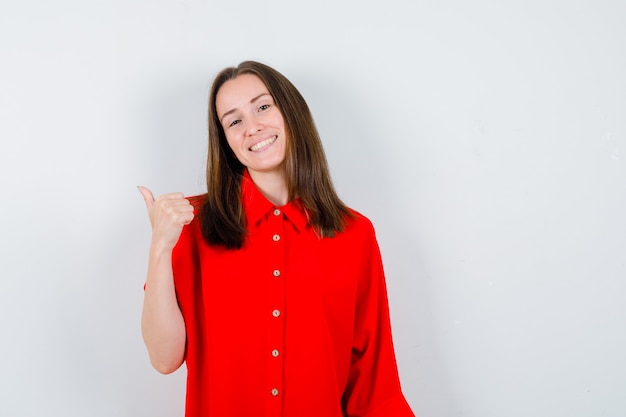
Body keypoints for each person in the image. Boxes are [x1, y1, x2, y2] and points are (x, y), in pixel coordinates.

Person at [138, 60, 415, 417]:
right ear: (226, 142)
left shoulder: (354, 234)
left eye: (263, 107)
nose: (252, 128)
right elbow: (164, 358)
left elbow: (375, 385)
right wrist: (160, 248)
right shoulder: (190, 225)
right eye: (234, 121)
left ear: (291, 112)